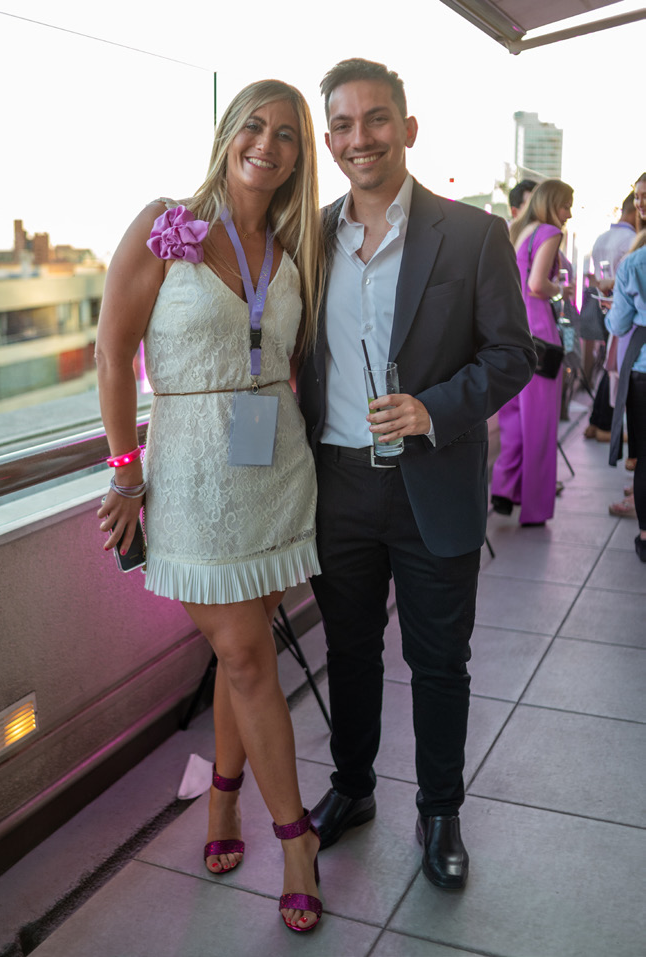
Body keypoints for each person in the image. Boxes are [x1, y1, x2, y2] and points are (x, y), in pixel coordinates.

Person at [297, 58, 535, 890]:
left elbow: (512, 353)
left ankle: (439, 811)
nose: (359, 137)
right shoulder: (308, 238)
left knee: (438, 661)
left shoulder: (471, 234)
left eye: (375, 119)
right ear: (329, 140)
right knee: (349, 652)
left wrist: (431, 408)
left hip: (432, 481)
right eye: (343, 124)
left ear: (407, 128)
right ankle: (352, 786)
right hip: (337, 484)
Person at [95, 79, 325, 932]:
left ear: (298, 156)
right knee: (247, 656)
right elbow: (112, 354)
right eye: (253, 126)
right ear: (227, 134)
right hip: (190, 480)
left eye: (286, 134)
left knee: (242, 655)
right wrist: (126, 473)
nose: (267, 143)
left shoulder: (291, 246)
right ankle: (296, 838)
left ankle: (223, 795)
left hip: (275, 473)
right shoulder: (165, 224)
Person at [491, 178, 574, 526]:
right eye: (566, 206)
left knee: (513, 418)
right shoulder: (550, 233)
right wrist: (563, 291)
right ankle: (535, 508)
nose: (568, 214)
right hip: (541, 336)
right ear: (552, 204)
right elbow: (538, 284)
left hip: (511, 332)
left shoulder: (518, 231)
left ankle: (504, 488)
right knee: (540, 425)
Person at [605, 203, 646, 560]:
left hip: (643, 366)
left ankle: (645, 536)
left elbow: (618, 324)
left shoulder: (635, 263)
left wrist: (610, 312)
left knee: (644, 456)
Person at [584, 192, 638, 443]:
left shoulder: (602, 238)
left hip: (602, 304)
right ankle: (604, 423)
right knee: (614, 365)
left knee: (610, 362)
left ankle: (596, 421)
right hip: (621, 308)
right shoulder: (632, 240)